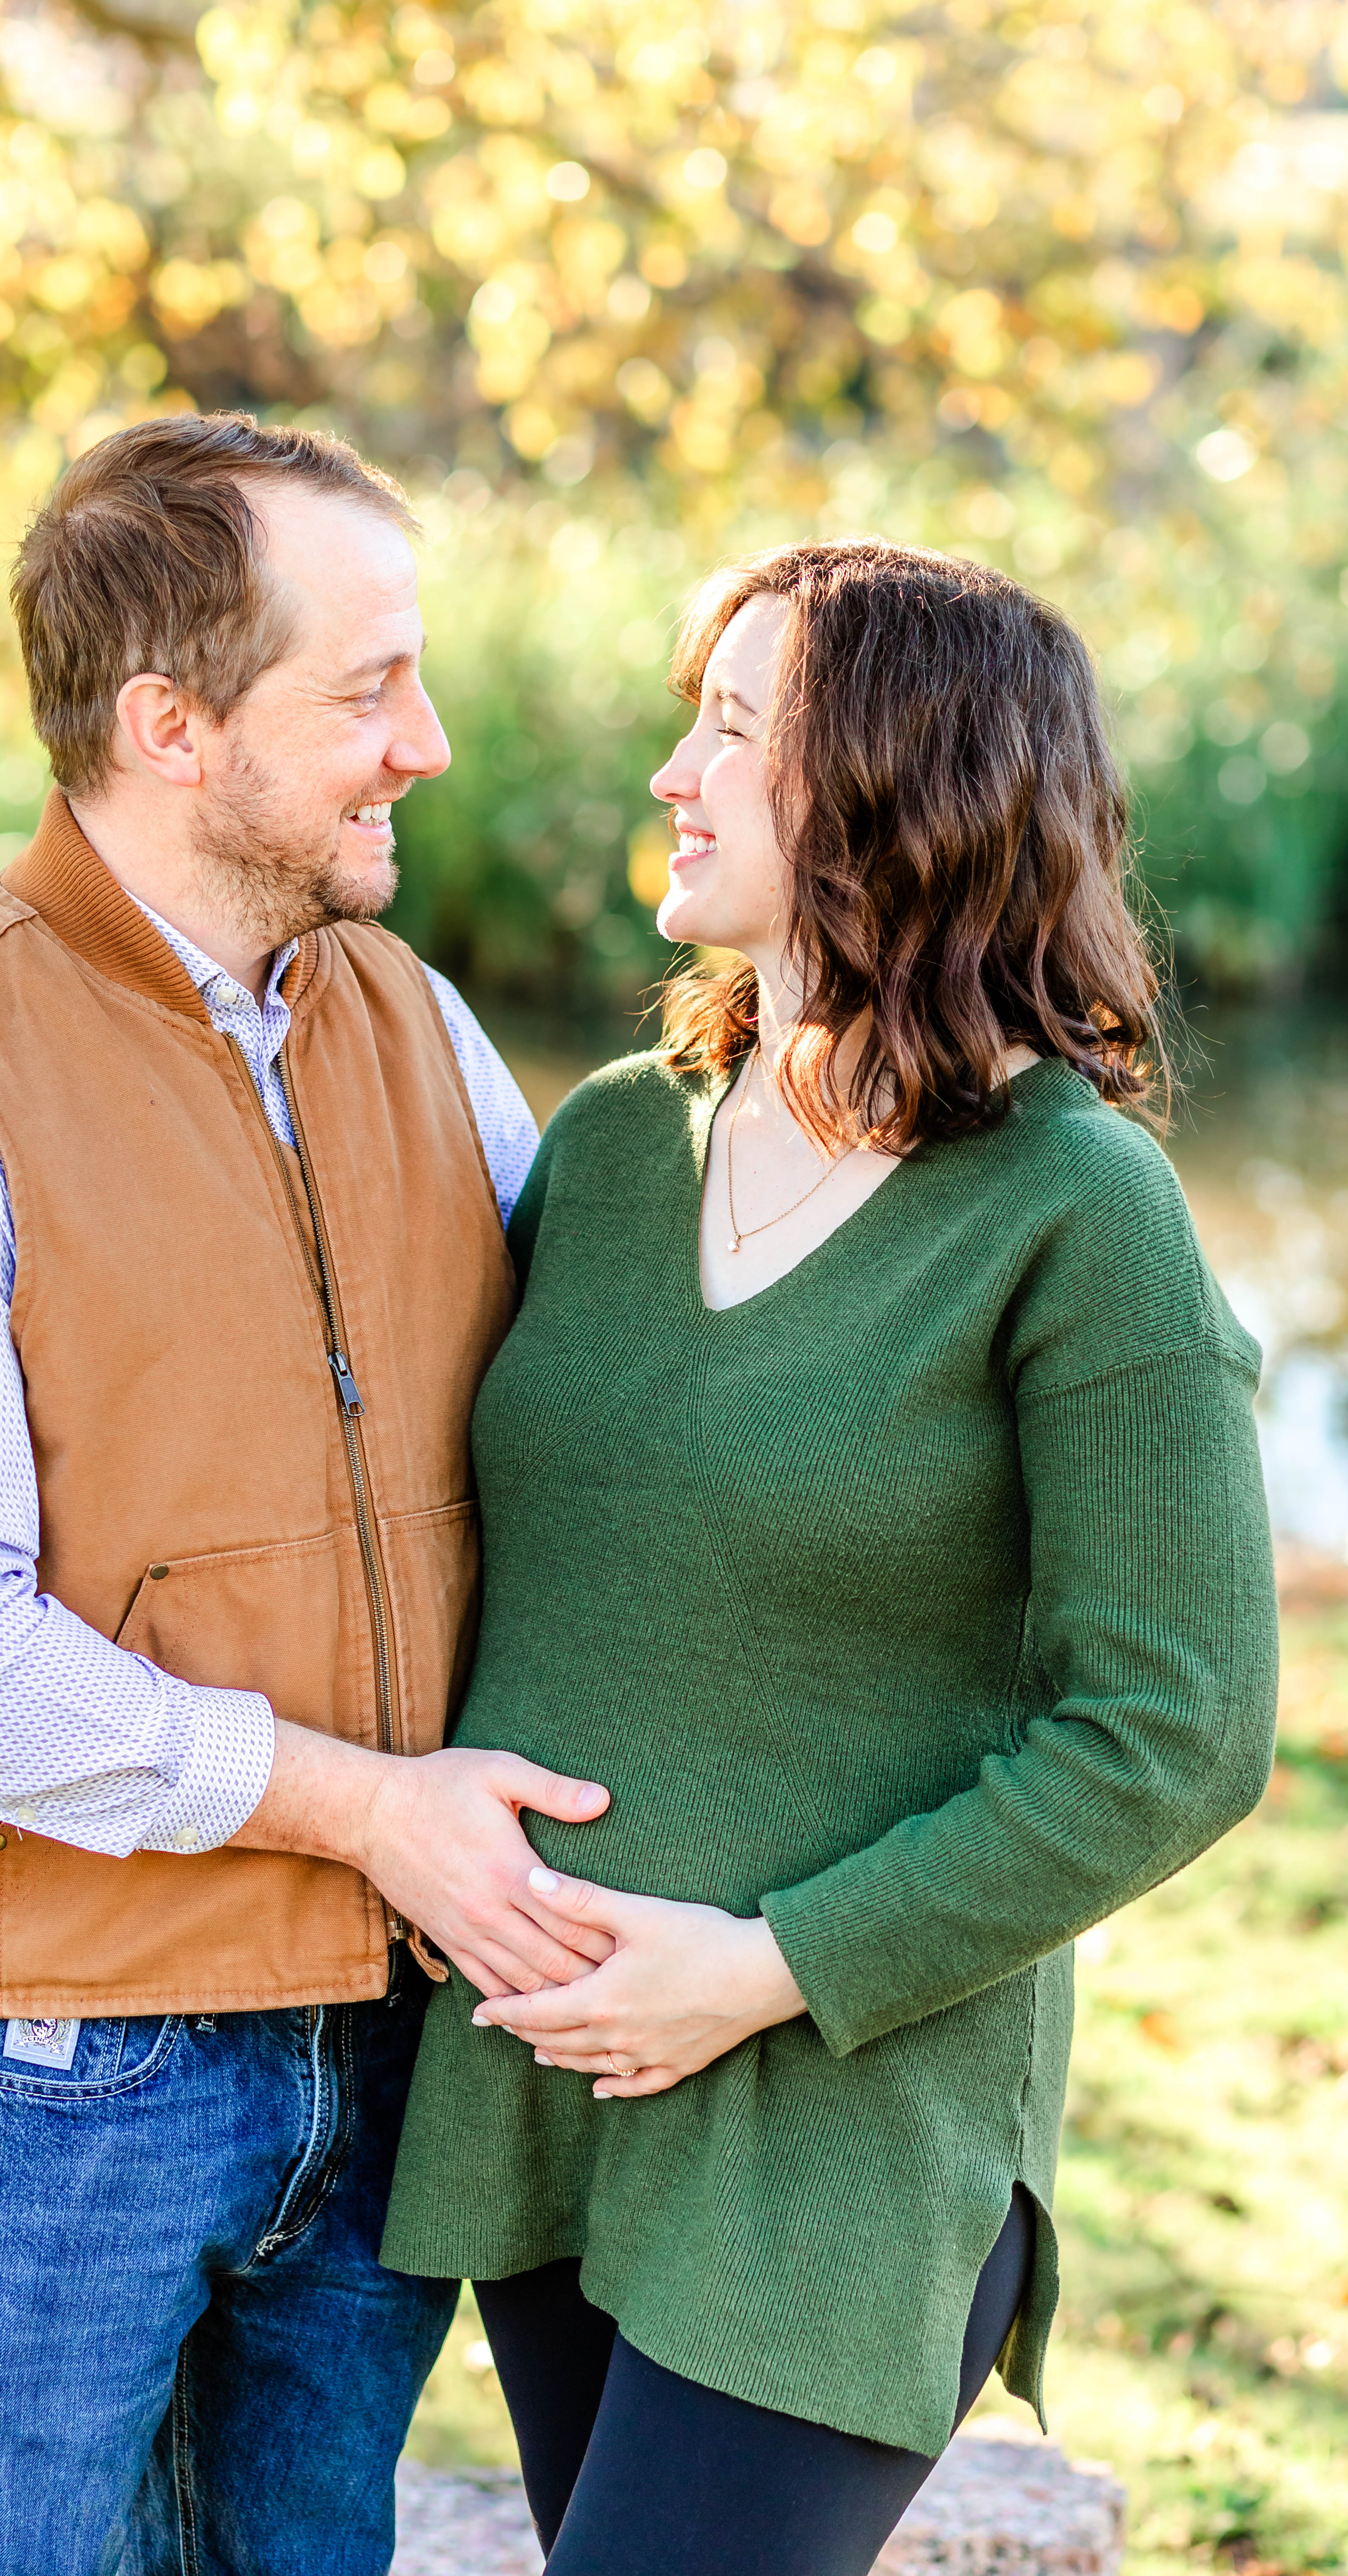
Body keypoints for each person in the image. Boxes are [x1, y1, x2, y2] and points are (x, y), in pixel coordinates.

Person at [0, 414, 617, 2576]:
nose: (424, 742)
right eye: (366, 688)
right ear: (170, 727)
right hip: (34, 2078)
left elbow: (605, 1425)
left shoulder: (414, 1019)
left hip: (382, 2045)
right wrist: (365, 1807)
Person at [380, 541, 1279, 2576]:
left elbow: (1180, 1729)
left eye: (732, 730)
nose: (669, 777)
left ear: (893, 785)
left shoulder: (1080, 1211)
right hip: (553, 2075)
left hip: (837, 2120)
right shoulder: (612, 1143)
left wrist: (765, 1965)